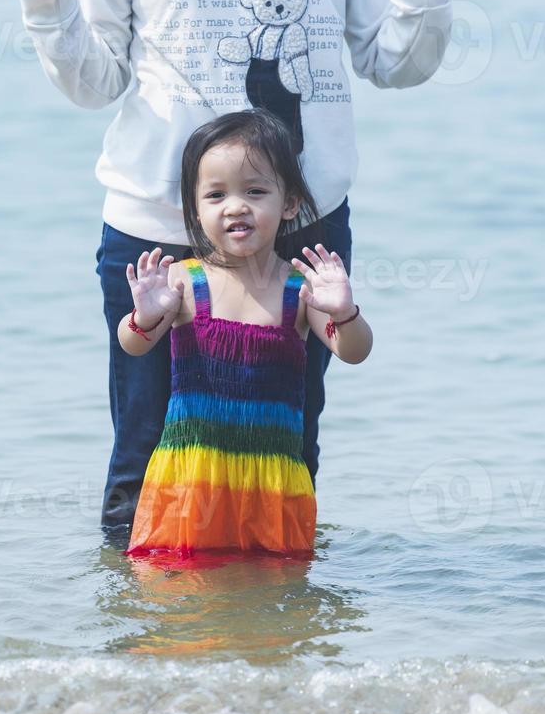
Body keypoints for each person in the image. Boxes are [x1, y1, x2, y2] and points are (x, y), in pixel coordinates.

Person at [0, 0, 472, 532]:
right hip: (157, 232)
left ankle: (277, 636)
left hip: (296, 232)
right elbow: (92, 82)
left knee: (283, 456)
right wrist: (43, 0)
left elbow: (392, 64)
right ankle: (134, 636)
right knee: (147, 465)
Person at [118, 109, 370, 562]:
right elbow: (132, 344)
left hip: (272, 483)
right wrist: (143, 315)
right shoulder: (182, 281)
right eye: (216, 195)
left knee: (272, 600)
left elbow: (353, 351)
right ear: (194, 209)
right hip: (191, 477)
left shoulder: (300, 288)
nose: (236, 206)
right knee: (175, 600)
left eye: (255, 191)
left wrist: (346, 311)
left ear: (289, 202)